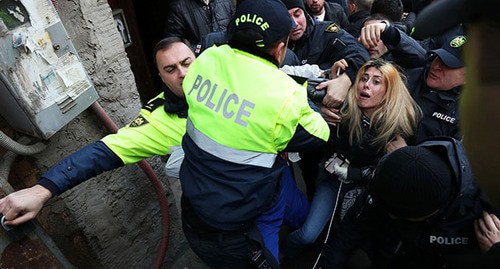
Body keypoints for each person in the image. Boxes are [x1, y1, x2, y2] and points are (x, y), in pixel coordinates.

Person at [179, 0, 330, 267]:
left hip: (195, 211)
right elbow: (319, 133)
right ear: (281, 48)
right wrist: (305, 92)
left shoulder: (206, 60)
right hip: (243, 226)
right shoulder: (284, 93)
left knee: (299, 211)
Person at [0, 37, 193, 230]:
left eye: (187, 63)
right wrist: (42, 190)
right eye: (170, 69)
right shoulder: (158, 119)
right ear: (160, 75)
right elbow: (101, 153)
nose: (182, 73)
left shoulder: (222, 80)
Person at [283, 59, 422, 258]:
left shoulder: (399, 126)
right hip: (333, 182)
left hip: (368, 191)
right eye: (363, 79)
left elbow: (394, 173)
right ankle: (278, 259)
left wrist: (355, 173)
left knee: (348, 242)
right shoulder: (342, 109)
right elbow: (297, 90)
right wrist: (318, 109)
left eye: (376, 82)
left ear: (389, 91)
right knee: (308, 235)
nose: (366, 85)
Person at [322, 137, 495, 268]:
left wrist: (495, 254)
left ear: (433, 212)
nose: (390, 215)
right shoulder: (395, 172)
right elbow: (352, 227)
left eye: (397, 214)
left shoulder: (489, 209)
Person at [358, 14, 427, 69]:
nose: (372, 42)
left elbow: (424, 59)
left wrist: (390, 33)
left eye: (378, 35)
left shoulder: (401, 63)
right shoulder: (355, 59)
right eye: (367, 35)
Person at [164, 0, 235, 52]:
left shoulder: (226, 1)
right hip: (202, 64)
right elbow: (174, 44)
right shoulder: (178, 7)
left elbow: (236, 28)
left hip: (230, 59)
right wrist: (201, 48)